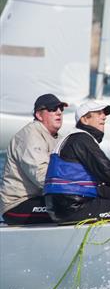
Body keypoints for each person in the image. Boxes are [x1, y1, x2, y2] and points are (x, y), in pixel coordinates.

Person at [0, 94, 68, 225]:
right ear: (39, 115)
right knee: (70, 209)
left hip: (43, 198)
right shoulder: (30, 136)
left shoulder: (59, 138)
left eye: (61, 108)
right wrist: (73, 190)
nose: (59, 112)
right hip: (18, 205)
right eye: (53, 109)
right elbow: (41, 177)